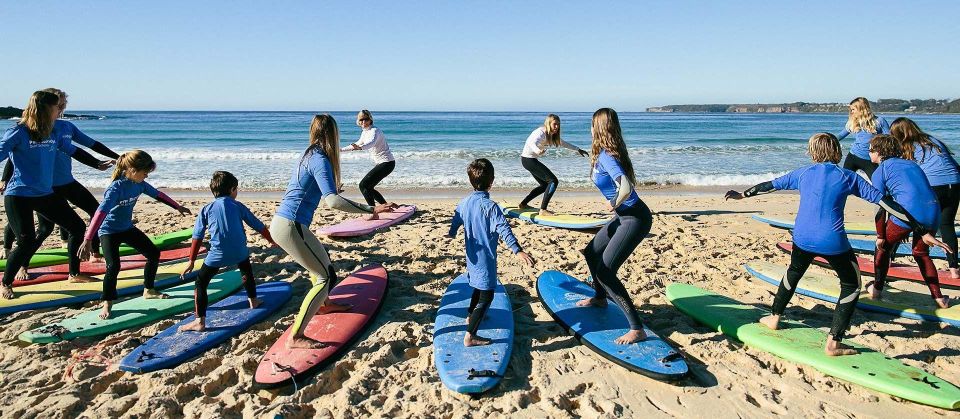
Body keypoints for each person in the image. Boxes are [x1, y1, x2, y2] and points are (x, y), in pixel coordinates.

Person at [725, 133, 950, 356]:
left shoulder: (802, 173)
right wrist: (920, 229)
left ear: (812, 152)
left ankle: (774, 317)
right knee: (851, 286)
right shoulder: (848, 177)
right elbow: (887, 204)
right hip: (832, 242)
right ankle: (834, 342)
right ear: (837, 152)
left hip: (802, 237)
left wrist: (742, 195)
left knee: (793, 272)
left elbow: (769, 186)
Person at [271, 114, 395, 349]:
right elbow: (333, 202)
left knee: (320, 264)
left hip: (285, 223)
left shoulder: (309, 154)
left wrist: (332, 189)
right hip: (291, 226)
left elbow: (312, 187)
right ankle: (296, 337)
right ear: (332, 133)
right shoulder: (320, 159)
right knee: (325, 276)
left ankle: (325, 304)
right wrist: (371, 209)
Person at [0, 90, 111, 299]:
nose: (59, 111)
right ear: (44, 109)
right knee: (26, 240)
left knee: (76, 226)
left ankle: (74, 273)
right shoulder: (18, 132)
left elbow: (73, 150)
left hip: (44, 193)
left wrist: (97, 164)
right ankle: (6, 282)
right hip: (19, 195)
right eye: (56, 107)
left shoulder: (52, 132)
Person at [80, 150, 192, 319]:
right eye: (145, 173)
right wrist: (88, 239)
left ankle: (148, 290)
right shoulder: (115, 189)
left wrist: (177, 207)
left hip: (127, 228)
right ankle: (107, 302)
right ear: (132, 170)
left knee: (153, 253)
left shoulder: (139, 184)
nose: (146, 176)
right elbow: (100, 213)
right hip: (109, 231)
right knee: (113, 266)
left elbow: (158, 194)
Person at [575, 108, 652, 345]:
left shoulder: (607, 156)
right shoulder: (605, 154)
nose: (589, 129)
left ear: (598, 128)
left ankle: (636, 328)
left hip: (634, 218)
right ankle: (600, 297)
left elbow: (626, 186)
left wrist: (614, 203)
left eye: (591, 124)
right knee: (591, 252)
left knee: (606, 272)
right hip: (623, 217)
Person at [449, 158, 535, 346]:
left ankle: (471, 316)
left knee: (478, 289)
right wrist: (517, 250)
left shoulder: (464, 203)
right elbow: (504, 229)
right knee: (487, 296)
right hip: (485, 260)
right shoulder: (491, 207)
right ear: (492, 181)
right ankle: (470, 335)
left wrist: (452, 232)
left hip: (471, 257)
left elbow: (456, 218)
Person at [179, 171, 276, 332]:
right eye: (236, 189)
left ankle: (200, 321)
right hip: (240, 252)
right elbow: (258, 225)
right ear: (232, 189)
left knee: (201, 283)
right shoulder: (238, 206)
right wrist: (271, 240)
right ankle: (253, 300)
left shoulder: (206, 209)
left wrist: (191, 261)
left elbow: (197, 236)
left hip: (217, 256)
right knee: (246, 270)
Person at [867, 134, 949, 308]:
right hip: (934, 211)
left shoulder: (880, 171)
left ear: (879, 152)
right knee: (921, 254)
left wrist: (881, 234)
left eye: (871, 150)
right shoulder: (912, 164)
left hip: (910, 213)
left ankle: (877, 289)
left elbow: (880, 207)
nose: (869, 153)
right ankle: (939, 298)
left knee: (882, 248)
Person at [891, 117, 960, 279]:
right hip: (955, 183)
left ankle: (888, 257)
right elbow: (953, 164)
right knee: (947, 225)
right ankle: (954, 269)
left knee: (905, 218)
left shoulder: (905, 146)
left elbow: (905, 174)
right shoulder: (932, 140)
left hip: (935, 185)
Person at [518, 114, 588, 216]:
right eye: (555, 124)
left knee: (545, 185)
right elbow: (531, 142)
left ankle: (523, 204)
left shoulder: (551, 135)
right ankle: (543, 210)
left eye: (558, 124)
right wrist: (538, 151)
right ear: (548, 123)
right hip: (528, 160)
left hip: (529, 160)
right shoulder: (540, 132)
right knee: (553, 181)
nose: (557, 127)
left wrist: (578, 149)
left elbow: (563, 143)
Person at [340, 110, 396, 214]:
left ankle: (373, 212)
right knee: (368, 187)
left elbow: (371, 143)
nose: (364, 121)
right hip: (384, 163)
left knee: (363, 185)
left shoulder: (374, 131)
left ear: (370, 120)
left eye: (366, 119)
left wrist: (360, 148)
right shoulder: (365, 132)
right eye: (361, 119)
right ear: (358, 121)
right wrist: (340, 150)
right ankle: (386, 206)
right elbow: (357, 143)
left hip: (387, 163)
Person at [837, 97, 890, 178]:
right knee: (846, 181)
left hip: (870, 159)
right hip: (853, 157)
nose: (851, 112)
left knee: (877, 183)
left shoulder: (879, 121)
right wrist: (827, 139)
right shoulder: (852, 122)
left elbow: (889, 139)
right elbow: (840, 135)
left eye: (853, 109)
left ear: (861, 108)